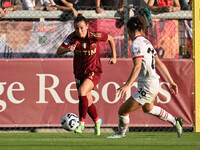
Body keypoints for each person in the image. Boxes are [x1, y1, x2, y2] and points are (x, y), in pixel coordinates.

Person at [107, 16, 183, 138]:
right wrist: (171, 81)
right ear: (142, 29)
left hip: (147, 85)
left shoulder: (136, 44)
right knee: (148, 108)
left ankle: (121, 134)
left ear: (128, 30)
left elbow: (137, 67)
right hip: (152, 82)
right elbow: (159, 62)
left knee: (122, 111)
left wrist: (127, 85)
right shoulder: (147, 42)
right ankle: (175, 121)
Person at [56, 14, 117, 135]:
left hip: (94, 71)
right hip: (79, 72)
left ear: (87, 26)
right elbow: (59, 51)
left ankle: (81, 123)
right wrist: (68, 49)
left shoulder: (95, 36)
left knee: (82, 91)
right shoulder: (72, 38)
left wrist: (114, 56)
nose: (80, 31)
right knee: (87, 100)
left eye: (82, 28)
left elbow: (110, 38)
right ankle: (97, 120)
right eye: (77, 28)